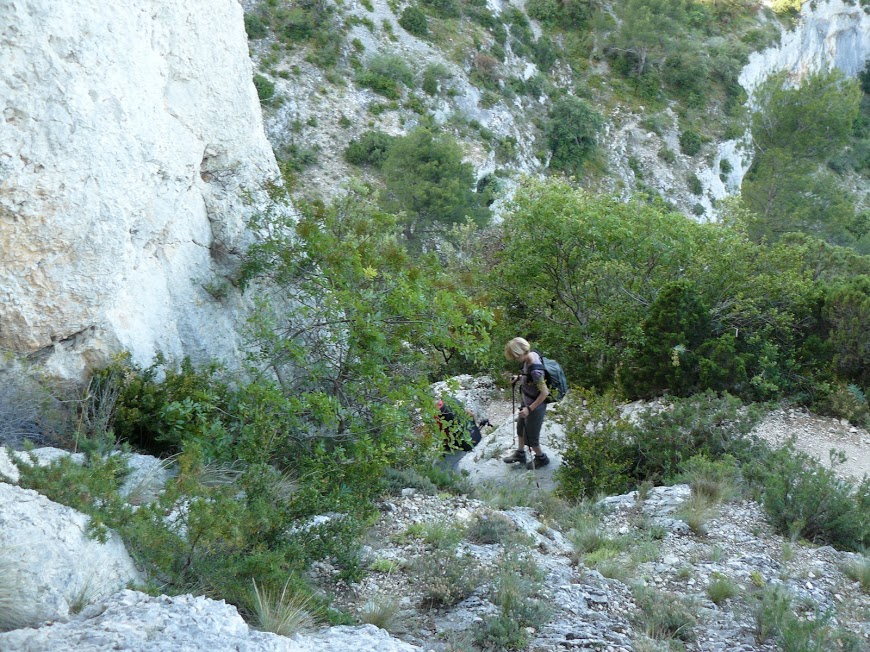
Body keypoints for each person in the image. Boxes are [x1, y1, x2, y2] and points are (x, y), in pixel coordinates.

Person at [502, 337, 550, 470]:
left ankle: (541, 458)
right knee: (520, 427)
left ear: (521, 353)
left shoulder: (536, 370)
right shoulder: (530, 356)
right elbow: (527, 375)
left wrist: (529, 409)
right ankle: (520, 453)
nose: (514, 359)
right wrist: (519, 378)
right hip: (527, 400)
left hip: (535, 406)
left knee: (532, 437)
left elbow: (545, 393)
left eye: (515, 356)